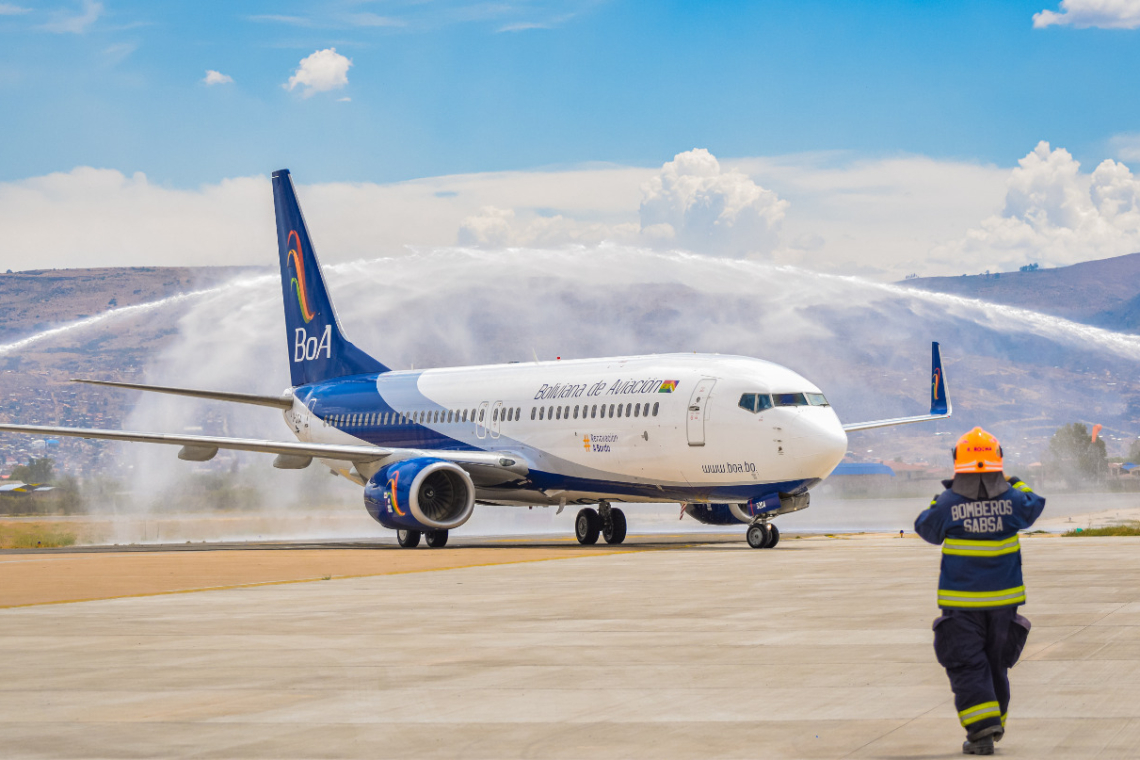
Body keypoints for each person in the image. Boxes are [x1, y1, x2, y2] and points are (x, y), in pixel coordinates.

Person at [915, 427, 1045, 756]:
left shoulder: (948, 503)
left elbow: (926, 528)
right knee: (995, 662)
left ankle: (981, 728)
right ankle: (994, 721)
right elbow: (1033, 505)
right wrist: (1015, 483)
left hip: (962, 605)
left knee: (966, 663)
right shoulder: (1014, 500)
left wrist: (940, 499)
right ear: (997, 460)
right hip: (1004, 604)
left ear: (957, 462)